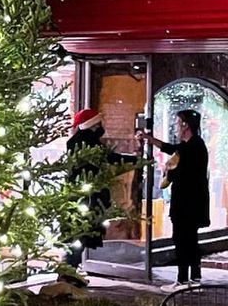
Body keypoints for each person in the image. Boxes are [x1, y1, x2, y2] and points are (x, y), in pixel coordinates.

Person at [139, 107, 210, 287]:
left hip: (187, 203)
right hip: (192, 202)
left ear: (186, 125)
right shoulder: (194, 145)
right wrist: (149, 139)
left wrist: (169, 172)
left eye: (178, 123)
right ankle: (193, 277)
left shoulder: (192, 147)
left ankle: (183, 279)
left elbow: (181, 168)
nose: (176, 127)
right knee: (190, 239)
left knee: (182, 239)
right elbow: (171, 149)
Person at [64, 108, 133, 280]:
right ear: (93, 124)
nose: (102, 126)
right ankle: (69, 272)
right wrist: (135, 159)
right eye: (99, 123)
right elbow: (109, 158)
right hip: (87, 197)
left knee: (79, 236)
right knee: (80, 235)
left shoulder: (81, 140)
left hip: (82, 196)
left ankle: (71, 271)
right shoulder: (88, 142)